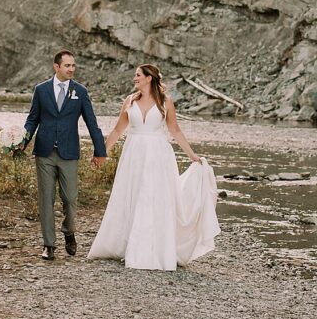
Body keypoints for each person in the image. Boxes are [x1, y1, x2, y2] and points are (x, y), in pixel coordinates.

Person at [87, 64, 220, 270]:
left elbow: (175, 130)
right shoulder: (130, 101)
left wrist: (192, 156)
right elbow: (118, 130)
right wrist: (102, 153)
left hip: (158, 155)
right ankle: (128, 245)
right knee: (132, 195)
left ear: (149, 78)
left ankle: (155, 250)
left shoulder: (165, 102)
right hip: (133, 154)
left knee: (154, 198)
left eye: (138, 75)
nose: (135, 78)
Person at [19, 50, 107, 260]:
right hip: (44, 152)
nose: (71, 69)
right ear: (56, 67)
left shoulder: (80, 92)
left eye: (73, 65)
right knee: (46, 199)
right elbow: (32, 119)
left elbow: (91, 123)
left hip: (69, 152)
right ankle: (49, 245)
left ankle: (69, 231)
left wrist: (100, 151)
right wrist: (22, 141)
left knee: (70, 198)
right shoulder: (41, 90)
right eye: (67, 65)